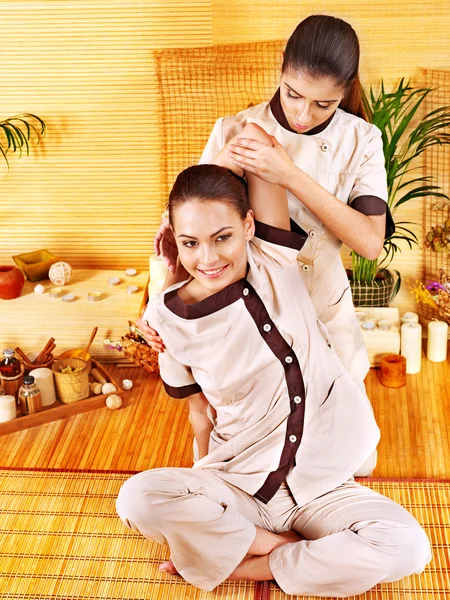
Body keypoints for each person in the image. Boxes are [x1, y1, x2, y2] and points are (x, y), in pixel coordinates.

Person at [117, 129, 430, 596]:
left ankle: (255, 563)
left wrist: (216, 167)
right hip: (239, 483)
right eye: (189, 242)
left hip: (323, 484)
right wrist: (204, 499)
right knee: (137, 499)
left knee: (409, 548)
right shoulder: (165, 318)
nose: (207, 258)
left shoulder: (276, 259)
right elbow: (198, 413)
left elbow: (255, 140)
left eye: (222, 236)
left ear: (247, 225)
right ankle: (276, 544)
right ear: (175, 242)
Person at [140, 14, 394, 392]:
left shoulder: (362, 139)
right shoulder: (235, 130)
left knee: (336, 419)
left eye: (323, 104)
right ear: (281, 63)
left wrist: (289, 175)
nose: (302, 115)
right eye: (293, 93)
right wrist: (158, 305)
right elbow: (191, 238)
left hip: (326, 307)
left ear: (346, 89)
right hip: (250, 313)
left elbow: (370, 243)